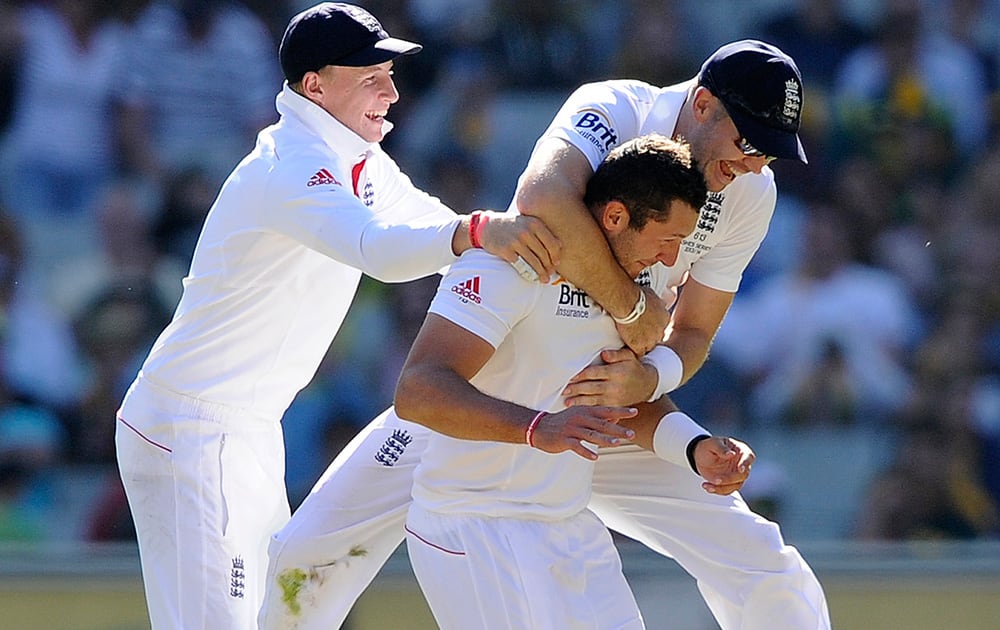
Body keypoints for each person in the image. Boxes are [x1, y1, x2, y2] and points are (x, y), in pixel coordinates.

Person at [260, 40, 831, 630]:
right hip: (485, 403)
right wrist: (632, 311)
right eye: (748, 143)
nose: (755, 166)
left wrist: (650, 377)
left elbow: (692, 331)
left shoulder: (750, 193)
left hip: (592, 410)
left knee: (762, 562)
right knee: (305, 561)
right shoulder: (615, 108)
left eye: (771, 153)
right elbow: (543, 198)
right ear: (705, 105)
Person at [113, 3, 559, 628]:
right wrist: (483, 230)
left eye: (390, 74)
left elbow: (431, 226)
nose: (392, 92)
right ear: (313, 85)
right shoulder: (291, 166)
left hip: (246, 426)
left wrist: (535, 267)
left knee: (275, 615)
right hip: (189, 426)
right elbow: (379, 248)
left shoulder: (359, 161)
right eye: (370, 75)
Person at [396, 134, 753, 629]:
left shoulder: (634, 295)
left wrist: (695, 448)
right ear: (615, 217)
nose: (671, 261)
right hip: (469, 524)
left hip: (566, 528)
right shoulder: (512, 261)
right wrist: (538, 428)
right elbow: (417, 391)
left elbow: (619, 401)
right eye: (666, 240)